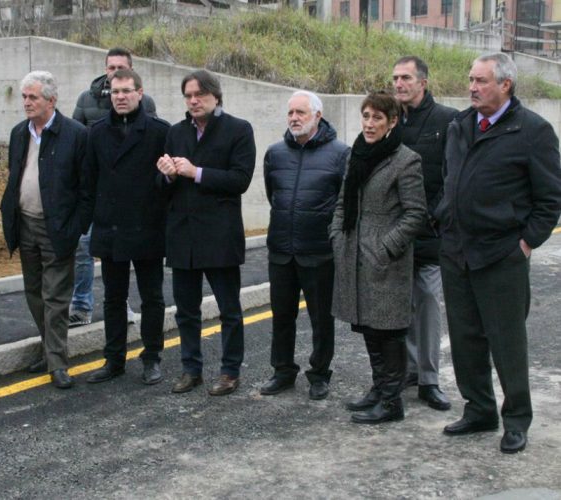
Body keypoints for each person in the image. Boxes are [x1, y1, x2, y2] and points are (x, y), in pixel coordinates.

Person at [436, 53, 561, 453]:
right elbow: (448, 180)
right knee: (465, 339)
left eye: (481, 81)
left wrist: (525, 244)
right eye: (470, 79)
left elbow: (550, 198)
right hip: (457, 253)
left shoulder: (533, 131)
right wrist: (444, 218)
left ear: (505, 85)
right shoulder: (459, 125)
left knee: (507, 343)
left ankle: (516, 420)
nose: (471, 87)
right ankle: (479, 409)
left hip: (500, 256)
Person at [157, 69, 256, 396]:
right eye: (188, 95)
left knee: (229, 309)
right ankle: (191, 369)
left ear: (216, 96)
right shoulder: (175, 132)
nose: (193, 101)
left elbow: (240, 180)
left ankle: (229, 372)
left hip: (219, 235)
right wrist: (169, 175)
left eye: (199, 94)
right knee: (186, 311)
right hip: (182, 235)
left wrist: (195, 172)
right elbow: (163, 188)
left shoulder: (238, 130)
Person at [331, 91, 427, 424]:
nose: (369, 124)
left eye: (377, 118)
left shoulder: (406, 160)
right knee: (370, 329)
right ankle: (379, 389)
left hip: (386, 262)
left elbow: (416, 214)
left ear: (392, 122)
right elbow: (343, 201)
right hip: (354, 255)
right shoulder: (354, 154)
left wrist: (386, 247)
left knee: (389, 332)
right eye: (366, 116)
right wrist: (336, 236)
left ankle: (391, 402)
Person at [0, 71, 92, 389]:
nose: (26, 102)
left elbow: (86, 189)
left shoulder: (76, 135)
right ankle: (49, 351)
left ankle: (57, 362)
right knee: (34, 293)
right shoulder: (18, 133)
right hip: (24, 222)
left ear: (51, 101)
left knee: (56, 297)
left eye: (33, 97)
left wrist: (76, 226)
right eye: (24, 96)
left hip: (58, 227)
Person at [260, 91, 349, 401]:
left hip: (320, 252)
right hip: (282, 250)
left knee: (321, 319)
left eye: (300, 112)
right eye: (290, 113)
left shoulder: (340, 154)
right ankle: (282, 371)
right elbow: (274, 195)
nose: (294, 118)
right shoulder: (274, 153)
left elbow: (344, 202)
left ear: (318, 116)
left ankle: (320, 374)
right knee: (282, 316)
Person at [83, 69, 170, 386]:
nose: (119, 97)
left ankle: (152, 358)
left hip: (147, 227)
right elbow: (89, 181)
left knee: (152, 299)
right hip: (111, 228)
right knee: (113, 299)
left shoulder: (160, 132)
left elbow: (169, 182)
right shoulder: (96, 132)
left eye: (126, 91)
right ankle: (114, 360)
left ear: (139, 93)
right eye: (114, 92)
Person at [69, 47, 156, 328]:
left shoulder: (150, 111)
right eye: (110, 68)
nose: (115, 73)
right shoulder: (87, 101)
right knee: (85, 251)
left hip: (136, 208)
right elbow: (76, 141)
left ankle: (142, 338)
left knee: (138, 277)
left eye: (121, 67)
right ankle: (82, 305)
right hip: (100, 202)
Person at [392, 56, 457, 411]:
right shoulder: (389, 120)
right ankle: (407, 371)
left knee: (429, 303)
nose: (399, 84)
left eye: (405, 78)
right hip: (394, 233)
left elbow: (453, 177)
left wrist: (435, 217)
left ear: (423, 82)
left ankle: (430, 380)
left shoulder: (448, 121)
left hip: (430, 232)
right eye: (395, 78)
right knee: (398, 306)